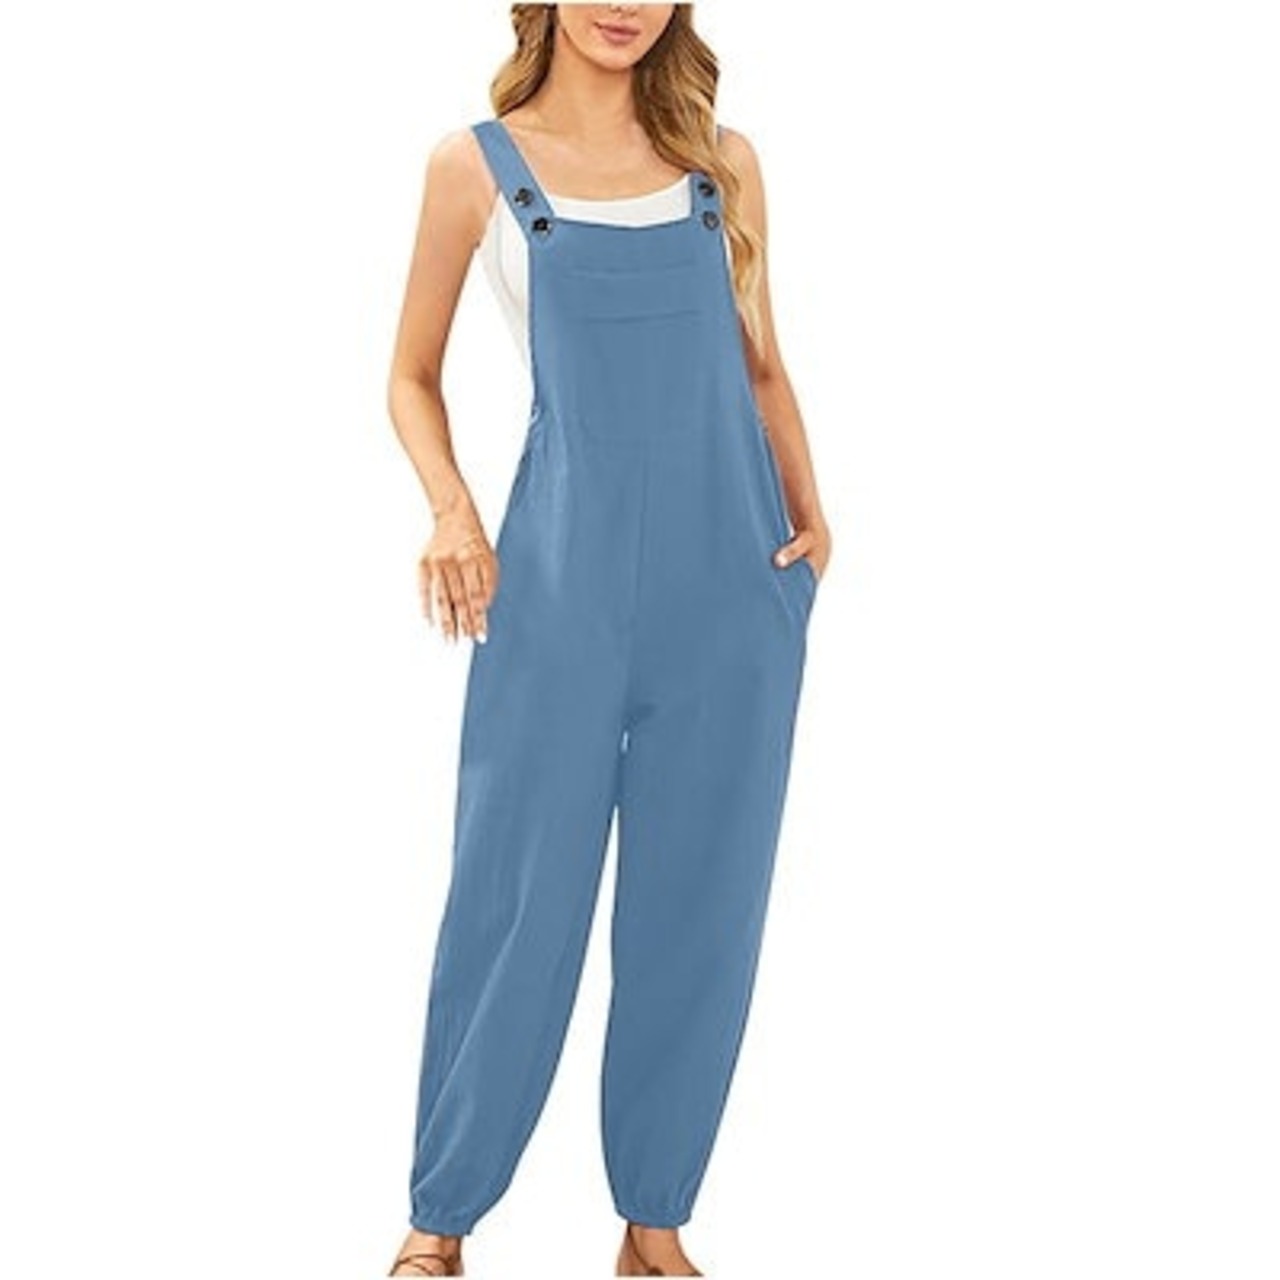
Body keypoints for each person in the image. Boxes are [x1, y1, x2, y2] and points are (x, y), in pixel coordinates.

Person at [384, 4, 830, 1274]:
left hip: (731, 587)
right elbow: (409, 374)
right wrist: (451, 509)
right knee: (513, 900)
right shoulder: (474, 168)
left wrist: (811, 524)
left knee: (701, 908)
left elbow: (759, 366)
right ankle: (438, 1220)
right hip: (555, 589)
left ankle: (652, 1225)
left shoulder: (721, 164)